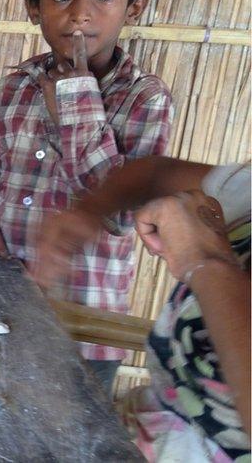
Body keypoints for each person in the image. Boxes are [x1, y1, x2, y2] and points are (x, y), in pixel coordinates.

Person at [0, 0, 173, 391]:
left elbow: (122, 212)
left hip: (84, 326)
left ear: (135, 7)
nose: (81, 14)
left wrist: (75, 103)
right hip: (3, 303)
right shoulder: (9, 90)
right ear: (34, 7)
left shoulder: (145, 99)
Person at [33, 157, 250, 461]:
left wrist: (208, 264)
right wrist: (90, 211)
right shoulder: (247, 191)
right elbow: (156, 174)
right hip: (126, 441)